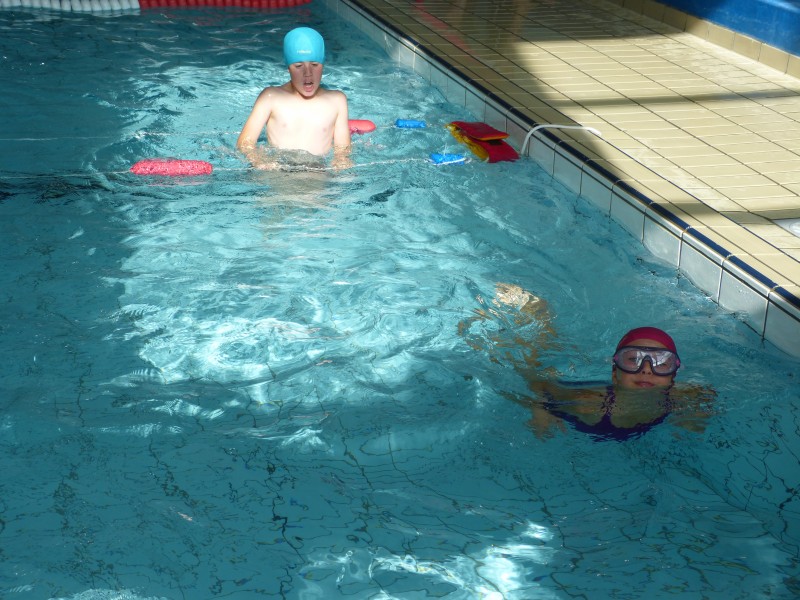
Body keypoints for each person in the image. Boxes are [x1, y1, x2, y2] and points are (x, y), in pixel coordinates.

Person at [459, 284, 715, 441]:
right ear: (614, 373)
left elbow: (703, 393)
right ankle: (534, 311)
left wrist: (695, 414)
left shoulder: (679, 397)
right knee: (529, 358)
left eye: (661, 363)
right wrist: (542, 409)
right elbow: (540, 387)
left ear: (673, 375)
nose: (646, 369)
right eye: (633, 360)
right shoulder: (588, 403)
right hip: (559, 384)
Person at [237, 26, 352, 170]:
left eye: (314, 65)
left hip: (318, 173)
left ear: (323, 65)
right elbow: (244, 143)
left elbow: (342, 150)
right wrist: (259, 160)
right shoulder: (271, 97)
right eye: (298, 66)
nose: (307, 73)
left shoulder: (337, 101)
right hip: (276, 172)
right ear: (288, 67)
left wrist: (341, 161)